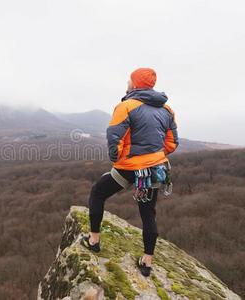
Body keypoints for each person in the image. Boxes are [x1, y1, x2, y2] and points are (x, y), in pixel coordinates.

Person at [80, 67, 179, 277]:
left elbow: (114, 138)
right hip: (154, 170)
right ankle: (147, 261)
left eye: (129, 80)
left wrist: (120, 159)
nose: (127, 83)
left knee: (98, 192)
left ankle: (94, 241)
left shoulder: (126, 106)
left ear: (134, 84)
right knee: (147, 213)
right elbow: (172, 142)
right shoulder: (167, 110)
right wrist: (155, 156)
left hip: (129, 168)